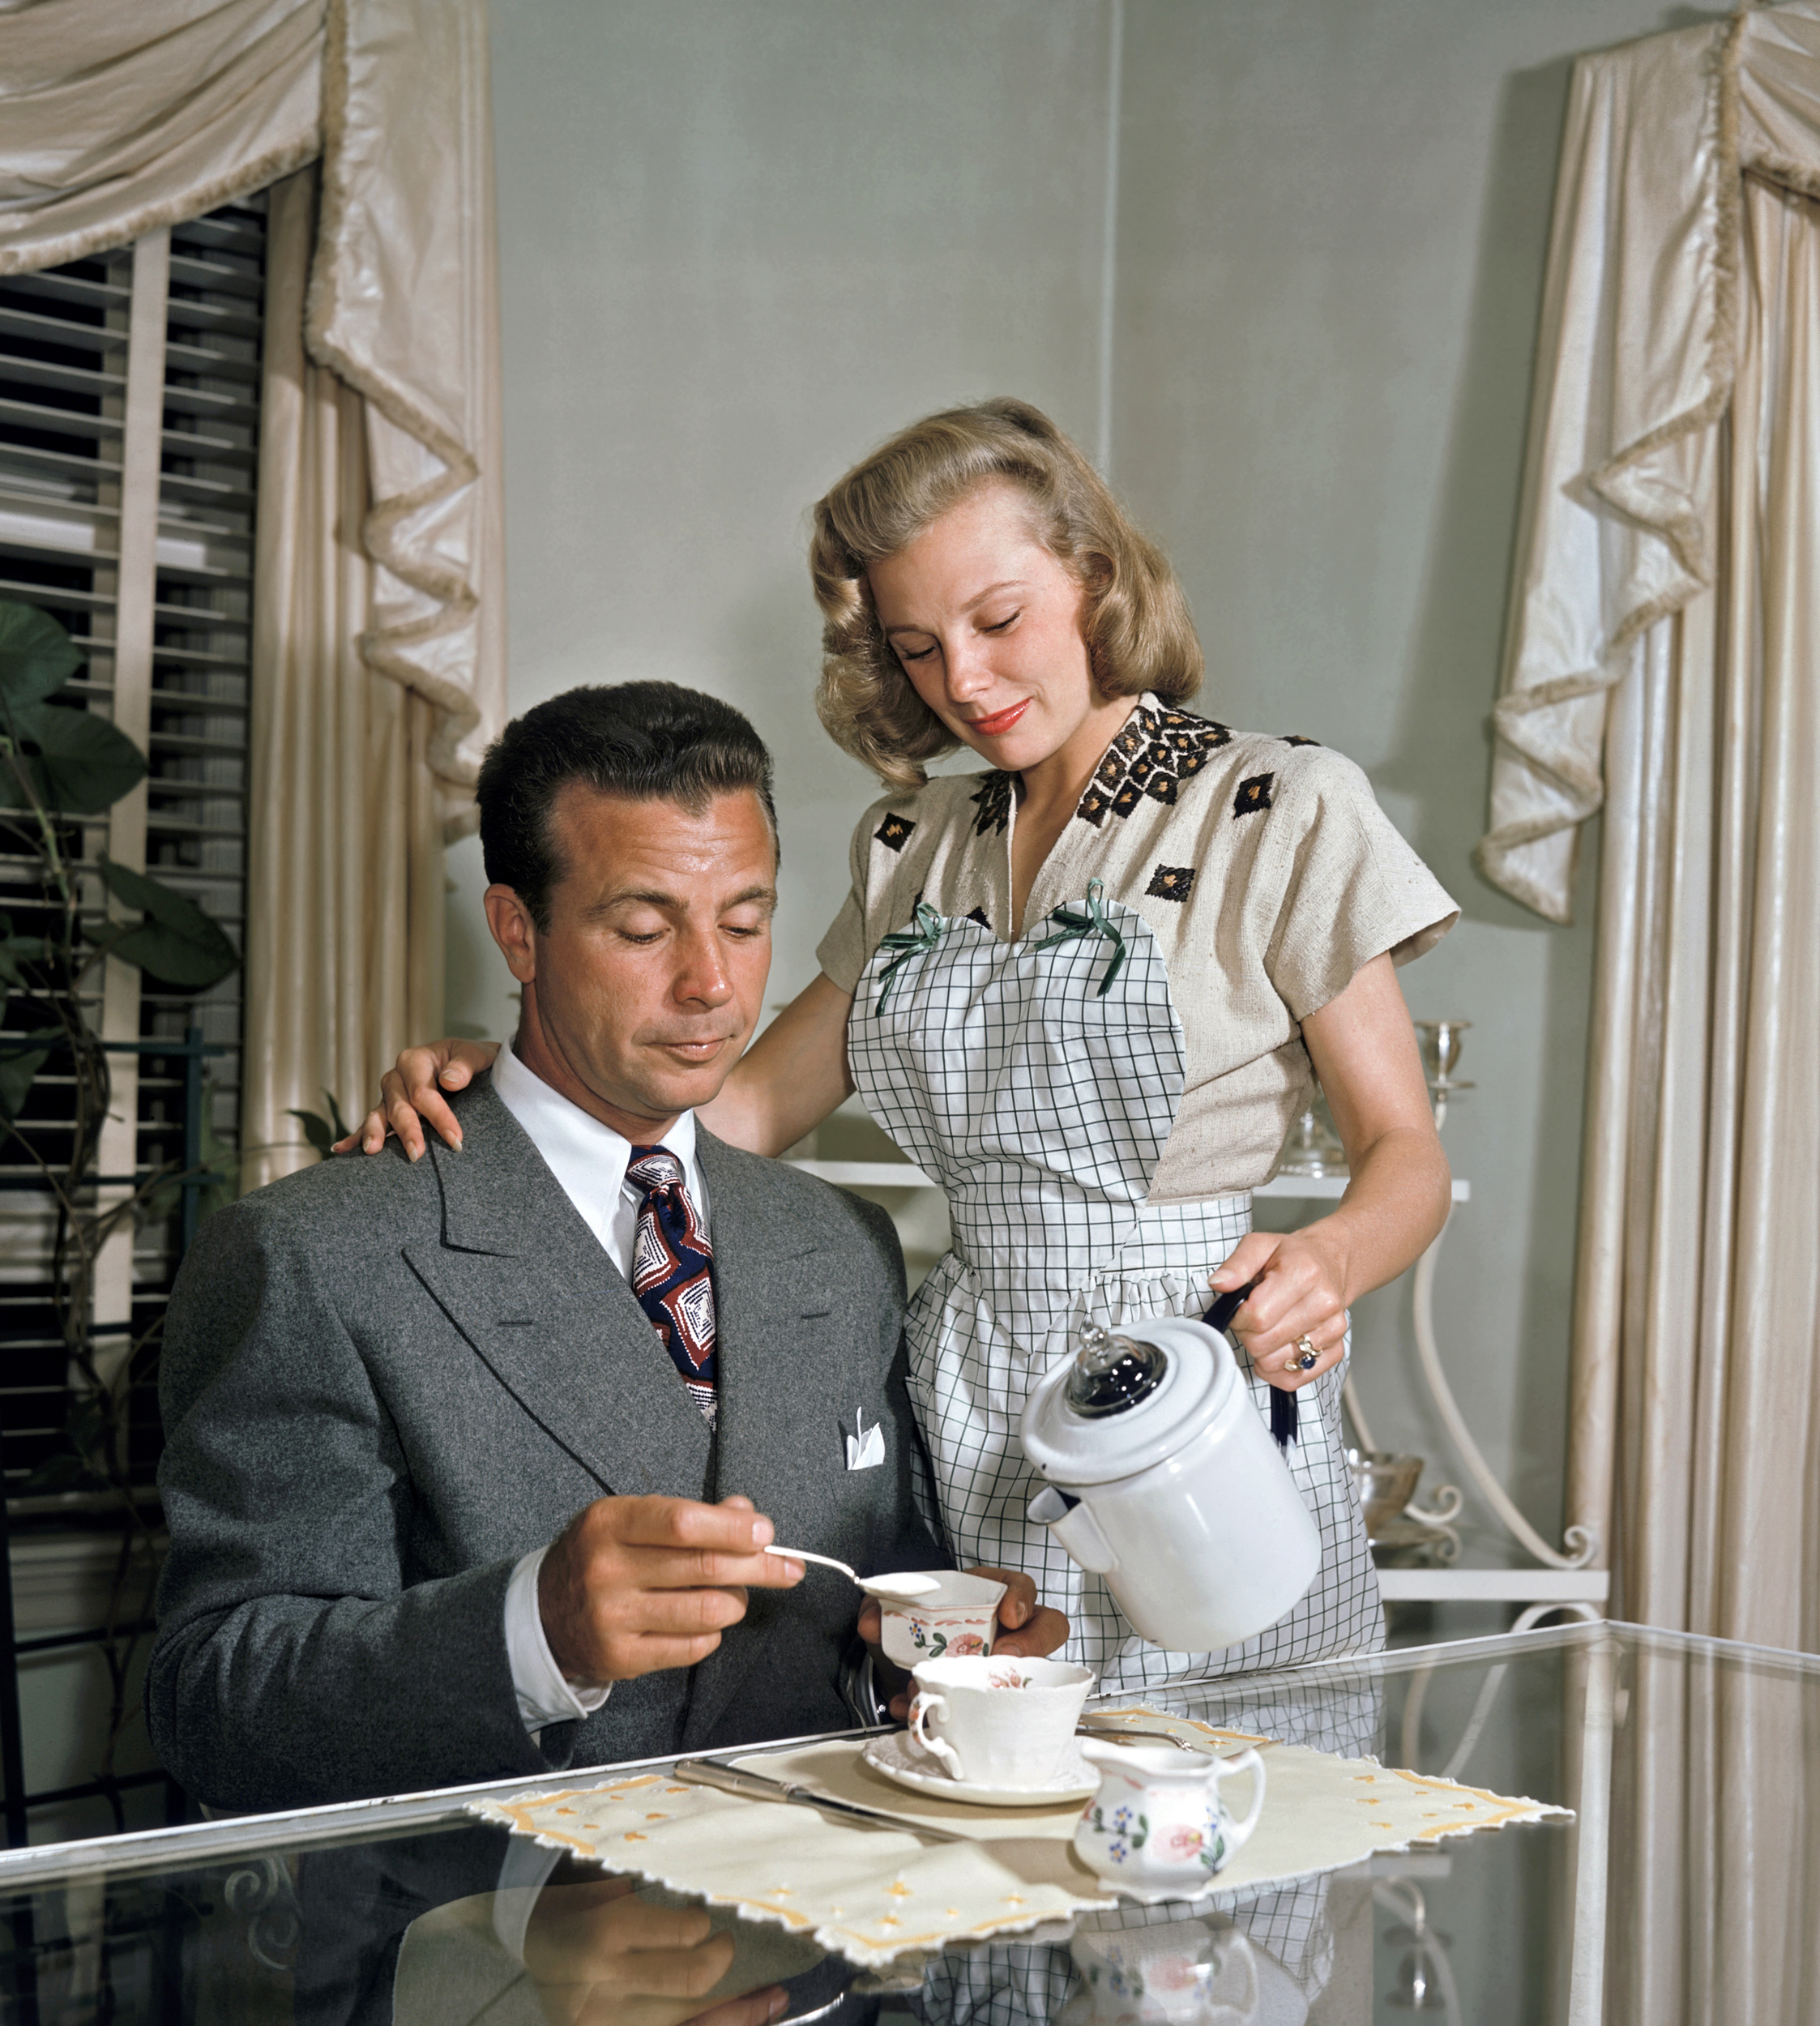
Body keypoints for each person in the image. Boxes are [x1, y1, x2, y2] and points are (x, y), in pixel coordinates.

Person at [348, 398, 1459, 1697]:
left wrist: (1326, 1260)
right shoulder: (911, 845)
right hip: (967, 1400)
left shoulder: (1276, 806)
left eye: (998, 622)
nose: (964, 684)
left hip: (1186, 1396)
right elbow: (737, 1113)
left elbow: (1407, 1155)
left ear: (1094, 578)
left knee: (1216, 1794)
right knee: (978, 1781)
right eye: (918, 648)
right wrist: (517, 1077)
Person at [149, 681, 1063, 1814]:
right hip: (496, 1909)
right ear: (517, 931)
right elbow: (212, 1704)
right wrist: (532, 1633)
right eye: (643, 929)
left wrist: (924, 1655)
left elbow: (859, 1620)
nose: (711, 983)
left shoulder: (841, 1244)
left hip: (811, 1902)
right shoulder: (314, 1254)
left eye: (745, 922)